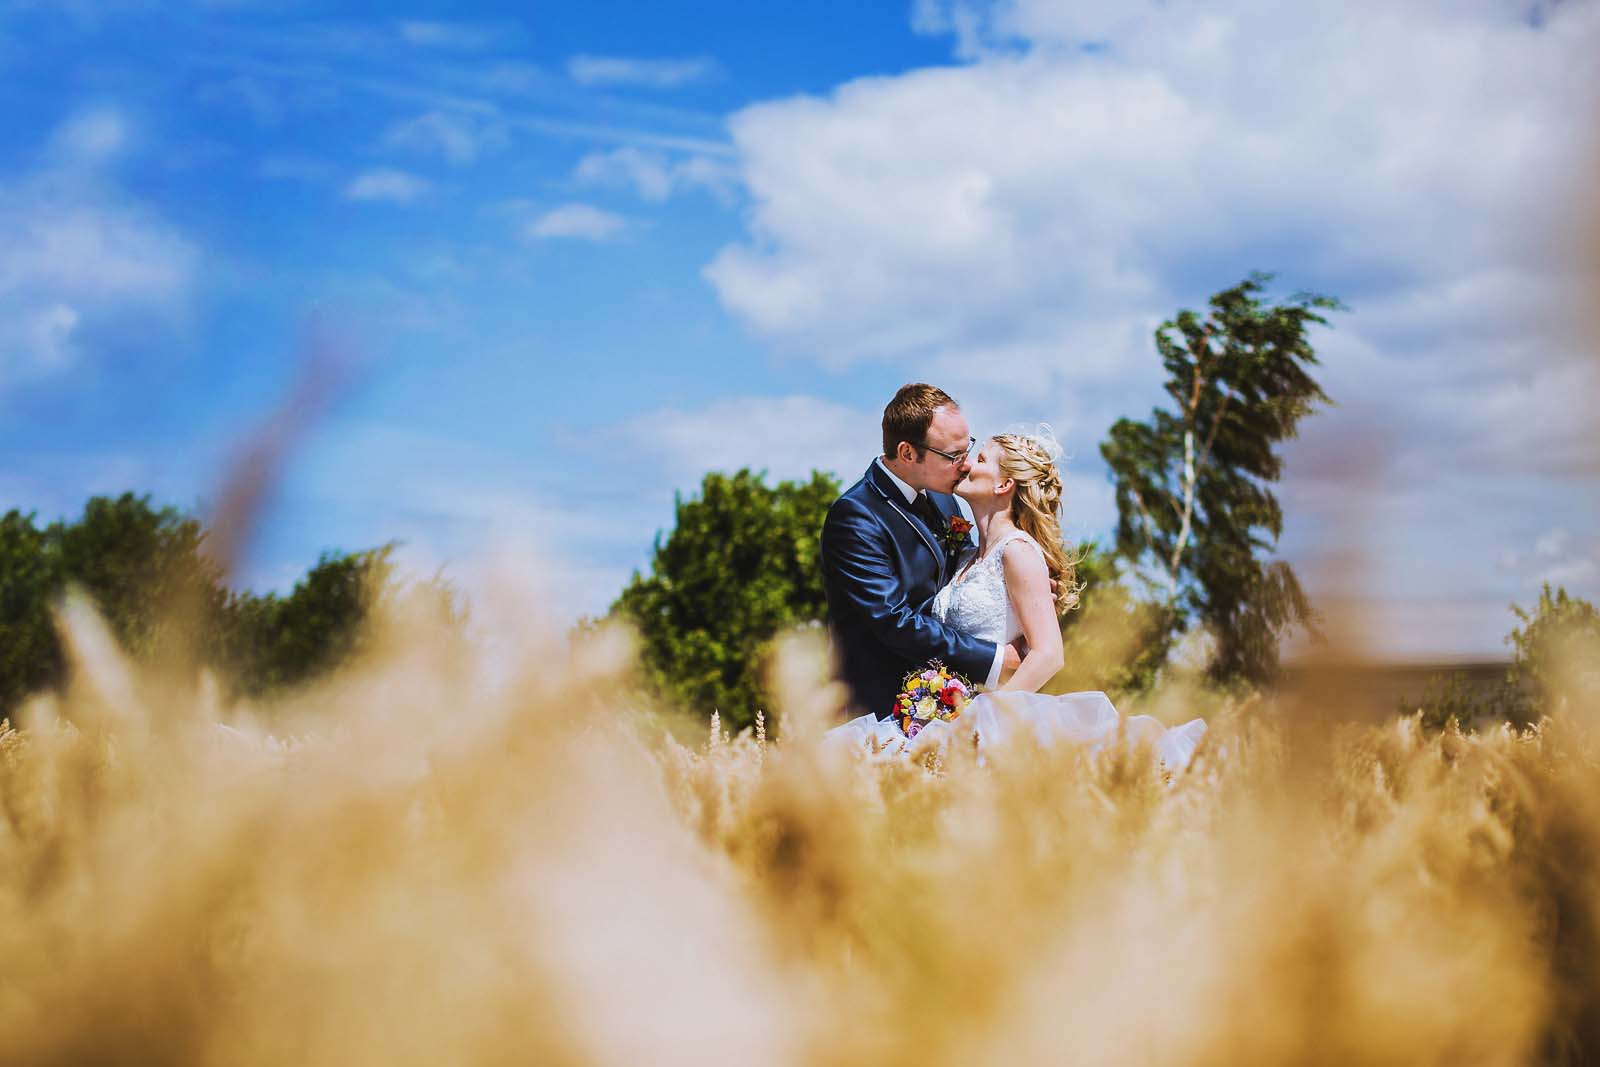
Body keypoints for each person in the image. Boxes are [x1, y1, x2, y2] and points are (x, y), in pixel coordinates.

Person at [831, 426, 1207, 770]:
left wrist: (988, 717)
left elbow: (1049, 654)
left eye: (978, 460)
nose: (965, 464)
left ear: (1004, 484)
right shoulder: (965, 554)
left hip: (995, 718)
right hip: (945, 714)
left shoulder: (1018, 552)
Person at [819, 383, 1020, 719]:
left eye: (966, 449)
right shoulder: (855, 516)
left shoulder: (944, 496)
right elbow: (893, 620)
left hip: (947, 697)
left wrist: (1016, 586)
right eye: (953, 456)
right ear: (908, 453)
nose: (966, 465)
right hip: (879, 706)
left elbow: (967, 573)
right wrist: (993, 660)